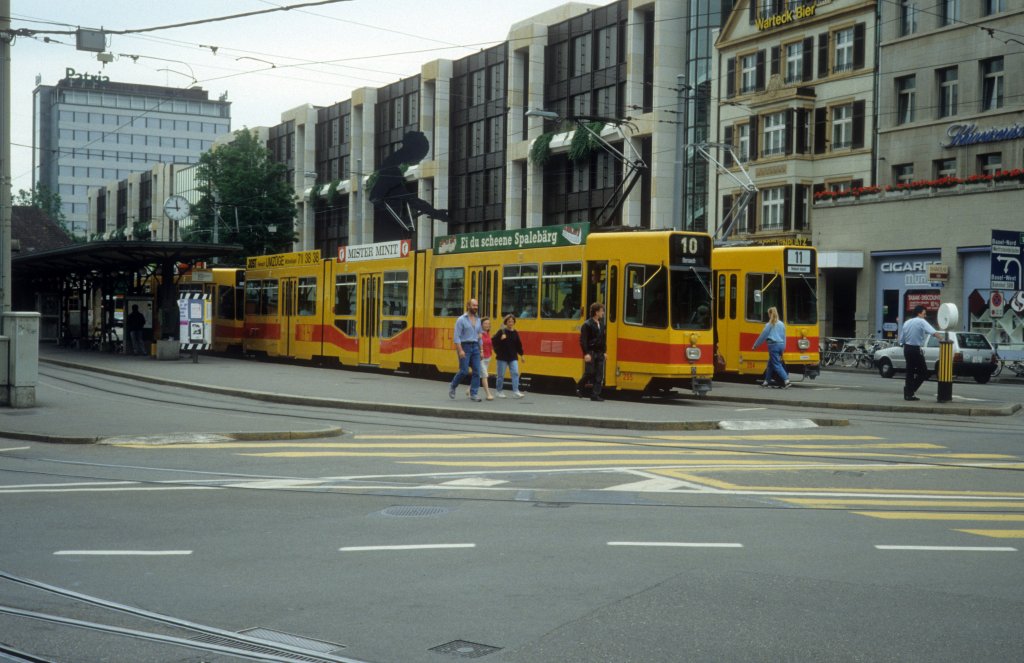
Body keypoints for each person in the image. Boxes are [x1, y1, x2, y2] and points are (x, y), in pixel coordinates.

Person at [899, 304, 940, 401]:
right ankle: (910, 390)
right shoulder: (921, 321)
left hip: (907, 349)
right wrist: (943, 339)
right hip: (915, 349)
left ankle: (909, 393)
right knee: (924, 372)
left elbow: (901, 339)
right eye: (924, 313)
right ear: (919, 313)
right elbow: (933, 332)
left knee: (910, 371)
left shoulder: (907, 322)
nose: (925, 316)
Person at [449, 299, 483, 401]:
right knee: (464, 371)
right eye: (473, 305)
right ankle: (453, 386)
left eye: (477, 305)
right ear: (468, 306)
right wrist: (460, 350)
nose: (476, 307)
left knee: (477, 371)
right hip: (465, 346)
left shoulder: (478, 320)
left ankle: (474, 394)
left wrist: (481, 350)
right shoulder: (461, 319)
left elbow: (479, 336)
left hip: (475, 347)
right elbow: (457, 337)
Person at [751, 306, 790, 388]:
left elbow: (762, 336)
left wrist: (755, 345)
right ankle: (766, 382)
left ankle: (786, 380)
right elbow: (784, 337)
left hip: (773, 346)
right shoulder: (781, 324)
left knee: (776, 364)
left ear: (770, 314)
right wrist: (783, 349)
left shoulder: (769, 325)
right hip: (781, 345)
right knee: (770, 365)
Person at [576, 302, 607, 401]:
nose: (603, 313)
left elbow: (603, 339)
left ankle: (595, 394)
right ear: (596, 312)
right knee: (590, 372)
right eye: (602, 311)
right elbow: (583, 341)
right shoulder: (587, 324)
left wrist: (605, 351)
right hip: (591, 352)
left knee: (599, 374)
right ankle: (579, 386)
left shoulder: (602, 324)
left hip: (600, 352)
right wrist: (586, 353)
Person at [492, 314, 525, 398]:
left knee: (515, 373)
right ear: (506, 322)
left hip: (513, 356)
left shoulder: (515, 333)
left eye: (512, 321)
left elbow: (518, 345)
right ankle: (499, 391)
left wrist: (521, 355)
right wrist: (501, 339)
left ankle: (516, 391)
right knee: (501, 375)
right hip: (502, 357)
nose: (511, 323)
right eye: (509, 321)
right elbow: (493, 342)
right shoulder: (501, 331)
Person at [467, 317, 495, 400]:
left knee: (478, 374)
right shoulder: (479, 334)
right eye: (485, 323)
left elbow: (489, 344)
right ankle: (488, 394)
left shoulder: (487, 333)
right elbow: (476, 344)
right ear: (481, 325)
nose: (487, 325)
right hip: (480, 357)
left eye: (488, 324)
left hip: (488, 357)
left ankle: (469, 390)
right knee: (484, 375)